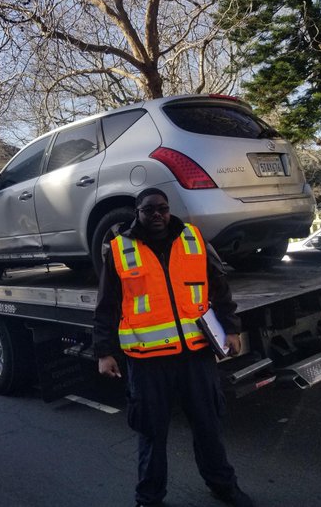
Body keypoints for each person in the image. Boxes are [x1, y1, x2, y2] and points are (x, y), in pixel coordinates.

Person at [93, 187, 254, 507]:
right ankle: (149, 498)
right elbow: (107, 306)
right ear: (136, 212)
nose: (157, 215)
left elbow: (220, 287)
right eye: (149, 209)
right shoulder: (120, 250)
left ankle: (224, 486)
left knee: (208, 427)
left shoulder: (193, 240)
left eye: (162, 209)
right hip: (148, 363)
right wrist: (104, 351)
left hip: (196, 356)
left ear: (169, 211)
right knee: (152, 434)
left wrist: (232, 329)